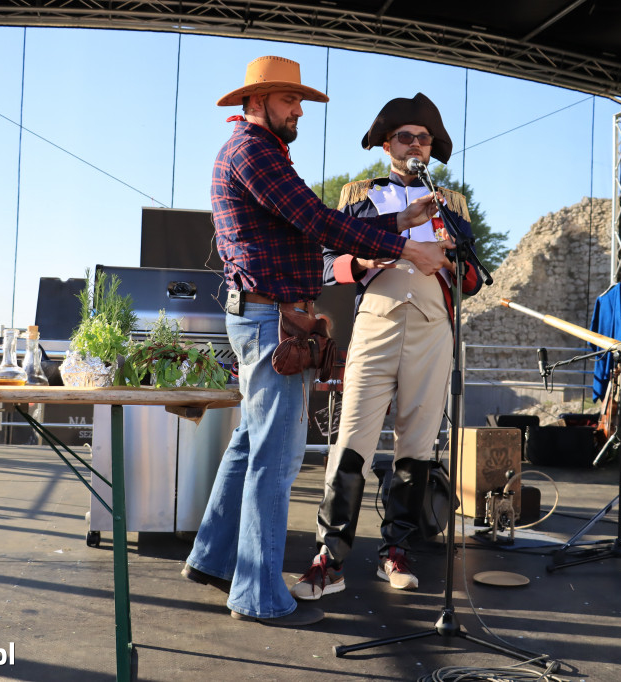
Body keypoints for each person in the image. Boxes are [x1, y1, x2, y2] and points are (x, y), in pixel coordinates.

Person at [180, 57, 454, 627]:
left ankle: (211, 559)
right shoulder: (253, 152)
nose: (299, 110)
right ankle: (256, 592)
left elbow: (315, 225)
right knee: (275, 462)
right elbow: (318, 223)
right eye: (290, 100)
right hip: (270, 320)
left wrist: (402, 224)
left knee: (249, 446)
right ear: (257, 101)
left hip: (268, 316)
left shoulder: (258, 152)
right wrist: (407, 245)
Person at [292, 93, 481, 601]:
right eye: (406, 137)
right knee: (351, 437)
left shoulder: (449, 207)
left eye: (423, 138)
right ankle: (329, 558)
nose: (415, 144)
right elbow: (326, 263)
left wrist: (448, 261)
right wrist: (364, 264)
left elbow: (474, 278)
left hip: (433, 328)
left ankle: (395, 551)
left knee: (417, 446)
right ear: (386, 144)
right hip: (375, 325)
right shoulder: (361, 201)